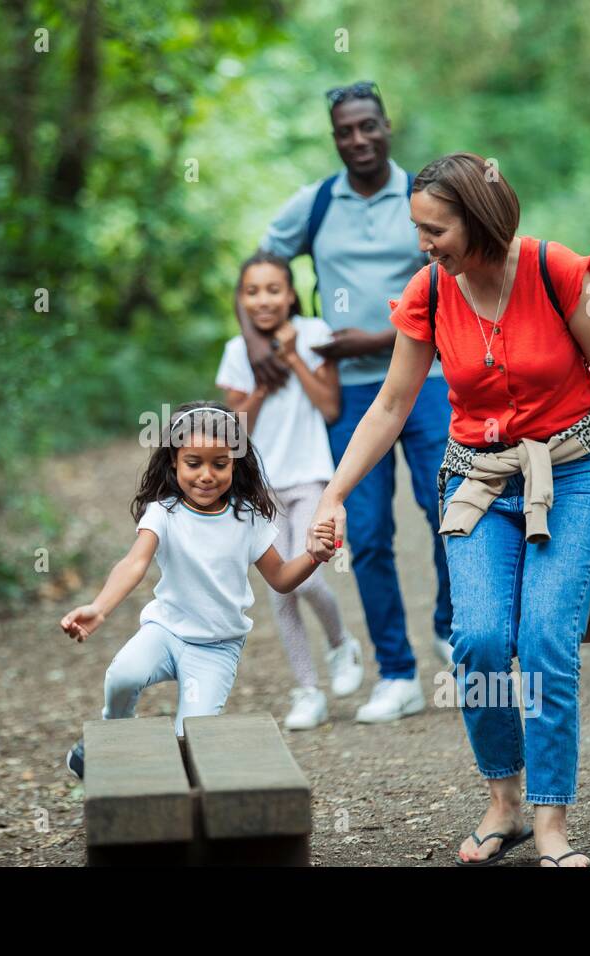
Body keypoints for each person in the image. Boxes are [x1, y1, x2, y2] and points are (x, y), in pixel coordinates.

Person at [305, 152, 590, 867]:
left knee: (544, 639)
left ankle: (550, 820)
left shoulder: (565, 273)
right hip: (478, 481)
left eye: (435, 230)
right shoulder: (428, 292)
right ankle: (504, 802)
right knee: (478, 639)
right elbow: (390, 404)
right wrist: (333, 493)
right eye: (417, 230)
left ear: (479, 220)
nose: (423, 245)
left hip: (576, 474)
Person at [244, 80, 453, 724]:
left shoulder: (422, 196)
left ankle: (454, 631)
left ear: (387, 126)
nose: (358, 139)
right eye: (345, 131)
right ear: (334, 137)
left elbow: (457, 277)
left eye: (368, 126)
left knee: (449, 507)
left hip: (428, 380)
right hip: (352, 395)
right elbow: (259, 265)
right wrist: (258, 340)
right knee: (362, 533)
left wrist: (383, 335)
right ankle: (396, 673)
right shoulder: (315, 206)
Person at [60, 401, 337, 778]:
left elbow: (281, 578)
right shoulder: (163, 511)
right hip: (166, 631)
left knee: (191, 741)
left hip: (216, 647)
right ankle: (109, 736)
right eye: (194, 463)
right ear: (174, 462)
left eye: (219, 464)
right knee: (123, 675)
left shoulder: (247, 519)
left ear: (235, 464)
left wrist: (314, 555)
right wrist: (100, 607)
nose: (206, 475)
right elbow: (134, 563)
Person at [215, 251, 361, 731]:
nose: (264, 300)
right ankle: (307, 691)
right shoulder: (238, 351)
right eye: (252, 291)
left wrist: (294, 355)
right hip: (259, 488)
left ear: (291, 293)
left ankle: (341, 643)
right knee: (279, 593)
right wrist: (261, 381)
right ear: (241, 299)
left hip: (310, 478)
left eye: (273, 289)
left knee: (310, 577)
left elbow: (331, 407)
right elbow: (235, 431)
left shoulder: (316, 333)